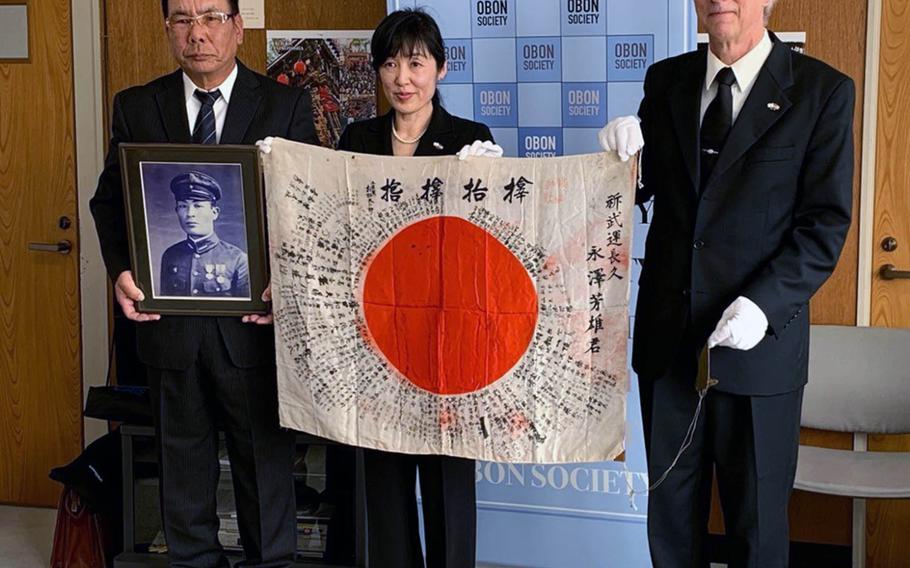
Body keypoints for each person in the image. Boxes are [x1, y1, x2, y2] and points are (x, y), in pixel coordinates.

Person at [600, 0, 854, 566]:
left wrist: (762, 307)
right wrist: (620, 166)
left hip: (759, 350)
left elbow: (824, 226)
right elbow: (645, 189)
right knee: (671, 526)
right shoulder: (666, 80)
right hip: (670, 348)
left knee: (756, 529)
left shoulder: (822, 92)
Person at [89, 1, 318, 565]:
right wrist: (121, 270)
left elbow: (311, 209)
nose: (199, 33)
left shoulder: (284, 105)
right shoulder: (138, 106)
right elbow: (111, 202)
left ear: (238, 27)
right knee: (183, 483)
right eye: (184, 19)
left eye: (212, 17)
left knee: (265, 478)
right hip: (171, 329)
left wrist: (283, 284)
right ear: (168, 29)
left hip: (254, 332)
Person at [340, 9, 500, 568]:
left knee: (449, 487)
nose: (402, 78)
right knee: (383, 491)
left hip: (449, 346)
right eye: (390, 64)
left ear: (441, 69)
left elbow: (489, 249)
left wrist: (491, 184)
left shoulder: (469, 140)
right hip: (380, 340)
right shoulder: (356, 138)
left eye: (416, 62)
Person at [159, 171, 250, 298]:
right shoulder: (170, 255)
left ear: (214, 212)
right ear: (177, 211)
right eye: (183, 206)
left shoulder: (238, 259)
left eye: (198, 206)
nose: (190, 213)